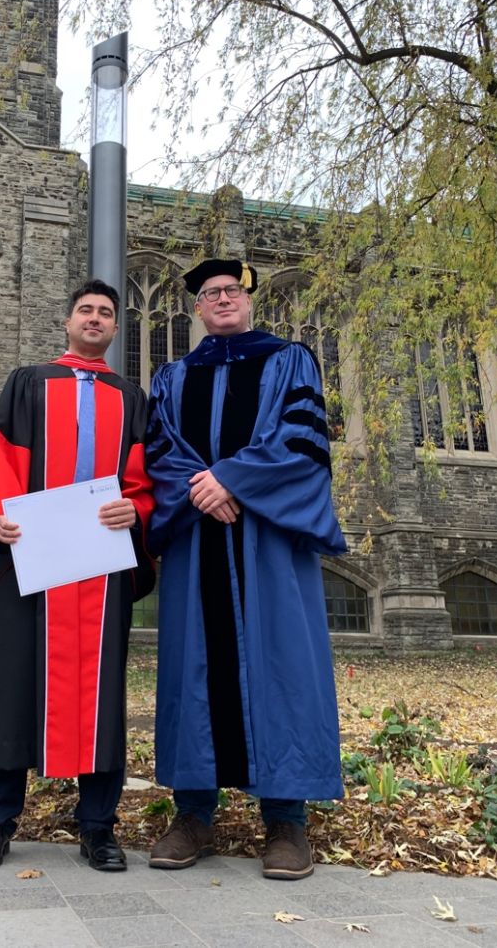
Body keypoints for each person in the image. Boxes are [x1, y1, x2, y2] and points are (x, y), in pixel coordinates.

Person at [145, 258, 346, 880]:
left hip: (265, 541)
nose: (223, 299)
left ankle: (287, 820)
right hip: (198, 543)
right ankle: (193, 813)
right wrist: (202, 489)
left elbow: (303, 440)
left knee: (280, 662)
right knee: (193, 669)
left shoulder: (291, 361)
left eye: (231, 290)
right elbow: (159, 451)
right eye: (210, 293)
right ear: (197, 309)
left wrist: (230, 479)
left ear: (248, 298)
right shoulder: (174, 377)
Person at [0, 279, 155, 873]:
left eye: (105, 313)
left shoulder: (131, 397)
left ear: (116, 329)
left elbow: (145, 479)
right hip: (31, 563)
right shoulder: (29, 383)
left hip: (100, 568)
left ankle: (98, 827)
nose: (95, 319)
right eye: (86, 310)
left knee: (100, 698)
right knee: (11, 688)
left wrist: (136, 509)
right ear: (67, 321)